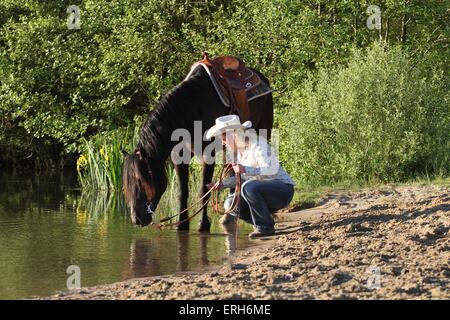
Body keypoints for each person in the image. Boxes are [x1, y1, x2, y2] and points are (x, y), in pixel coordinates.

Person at [206, 115, 295, 238]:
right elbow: (241, 178)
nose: (222, 143)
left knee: (249, 187)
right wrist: (222, 184)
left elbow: (271, 170)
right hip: (261, 190)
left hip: (283, 190)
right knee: (230, 203)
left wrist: (245, 169)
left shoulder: (258, 145)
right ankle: (265, 222)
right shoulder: (236, 154)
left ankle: (264, 227)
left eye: (224, 138)